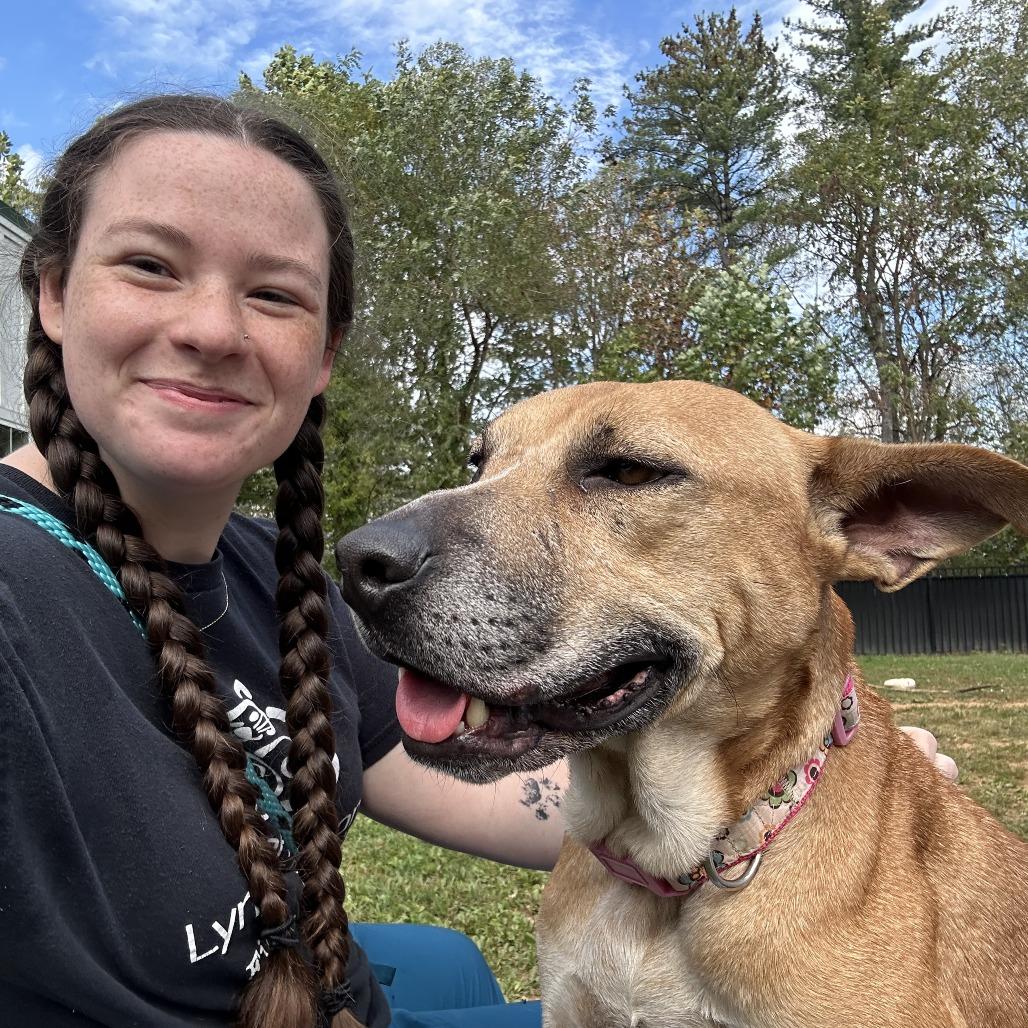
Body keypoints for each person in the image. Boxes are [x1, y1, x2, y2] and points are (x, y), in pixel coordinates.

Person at [0, 93, 956, 1028]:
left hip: (338, 992)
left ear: (324, 350)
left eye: (272, 293)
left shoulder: (275, 576)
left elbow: (492, 789)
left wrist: (804, 787)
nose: (211, 328)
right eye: (150, 265)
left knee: (452, 962)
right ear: (51, 290)